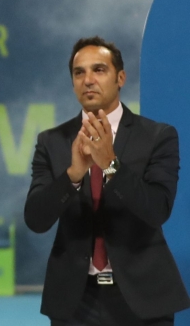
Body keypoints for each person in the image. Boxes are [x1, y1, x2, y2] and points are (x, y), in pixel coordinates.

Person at [24, 37, 190, 325]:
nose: (88, 80)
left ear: (120, 78)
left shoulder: (157, 136)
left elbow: (157, 210)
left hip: (143, 299)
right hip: (74, 301)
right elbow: (36, 219)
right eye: (79, 72)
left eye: (99, 70)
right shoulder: (52, 142)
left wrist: (110, 166)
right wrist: (73, 174)